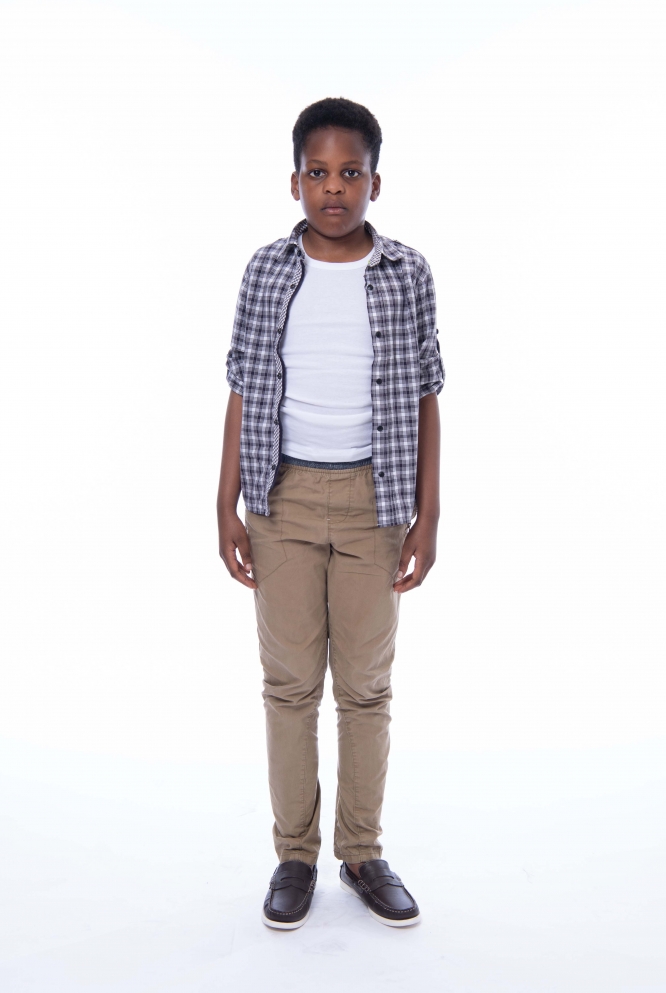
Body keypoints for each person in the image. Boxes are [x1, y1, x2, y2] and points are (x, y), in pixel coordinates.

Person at [217, 97, 444, 929]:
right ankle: (294, 854)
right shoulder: (266, 271)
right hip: (279, 500)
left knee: (366, 688)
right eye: (319, 172)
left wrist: (427, 515)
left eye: (351, 172)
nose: (334, 187)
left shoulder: (407, 273)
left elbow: (427, 393)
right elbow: (243, 386)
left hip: (373, 504)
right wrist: (225, 503)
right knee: (288, 686)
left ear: (376, 182)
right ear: (295, 182)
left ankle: (361, 849)